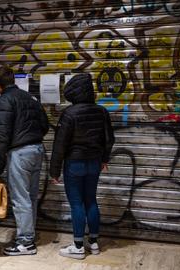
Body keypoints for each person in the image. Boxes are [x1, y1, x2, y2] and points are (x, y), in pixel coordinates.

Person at [50, 73, 115, 260]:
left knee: (77, 204)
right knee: (91, 201)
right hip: (94, 163)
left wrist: (54, 171)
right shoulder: (101, 111)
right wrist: (104, 159)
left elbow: (59, 145)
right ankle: (93, 243)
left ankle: (78, 246)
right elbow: (109, 139)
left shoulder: (69, 114)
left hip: (75, 164)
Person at [0, 66, 49, 256]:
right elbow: (45, 125)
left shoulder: (5, 99)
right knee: (30, 197)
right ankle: (29, 235)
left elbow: (2, 133)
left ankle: (25, 242)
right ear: (13, 79)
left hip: (20, 153)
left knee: (20, 198)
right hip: (37, 150)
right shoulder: (31, 98)